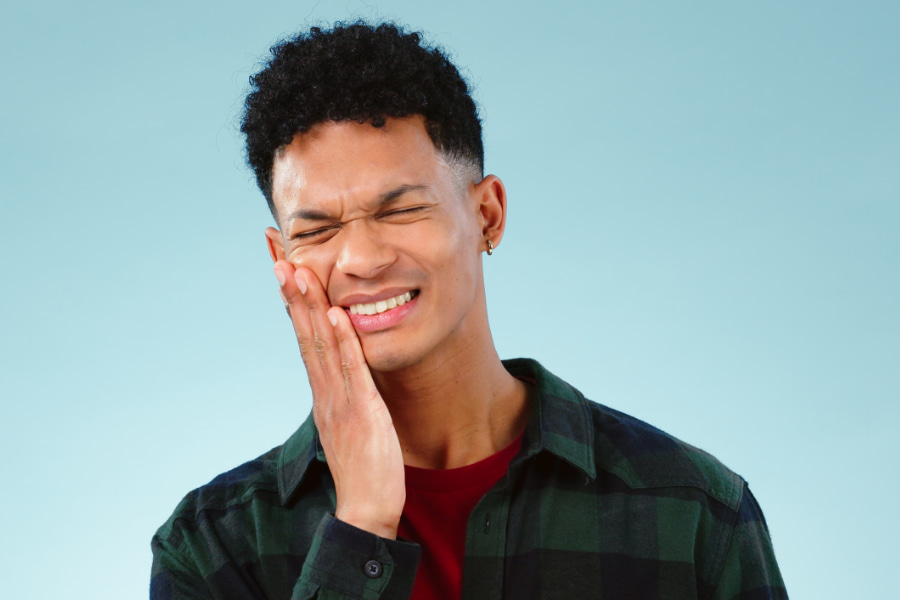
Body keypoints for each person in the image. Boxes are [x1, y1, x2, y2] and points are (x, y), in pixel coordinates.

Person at [150, 22, 787, 600]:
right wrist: (363, 526)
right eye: (316, 230)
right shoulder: (210, 549)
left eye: (400, 210)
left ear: (487, 215)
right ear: (279, 254)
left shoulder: (694, 513)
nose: (362, 259)